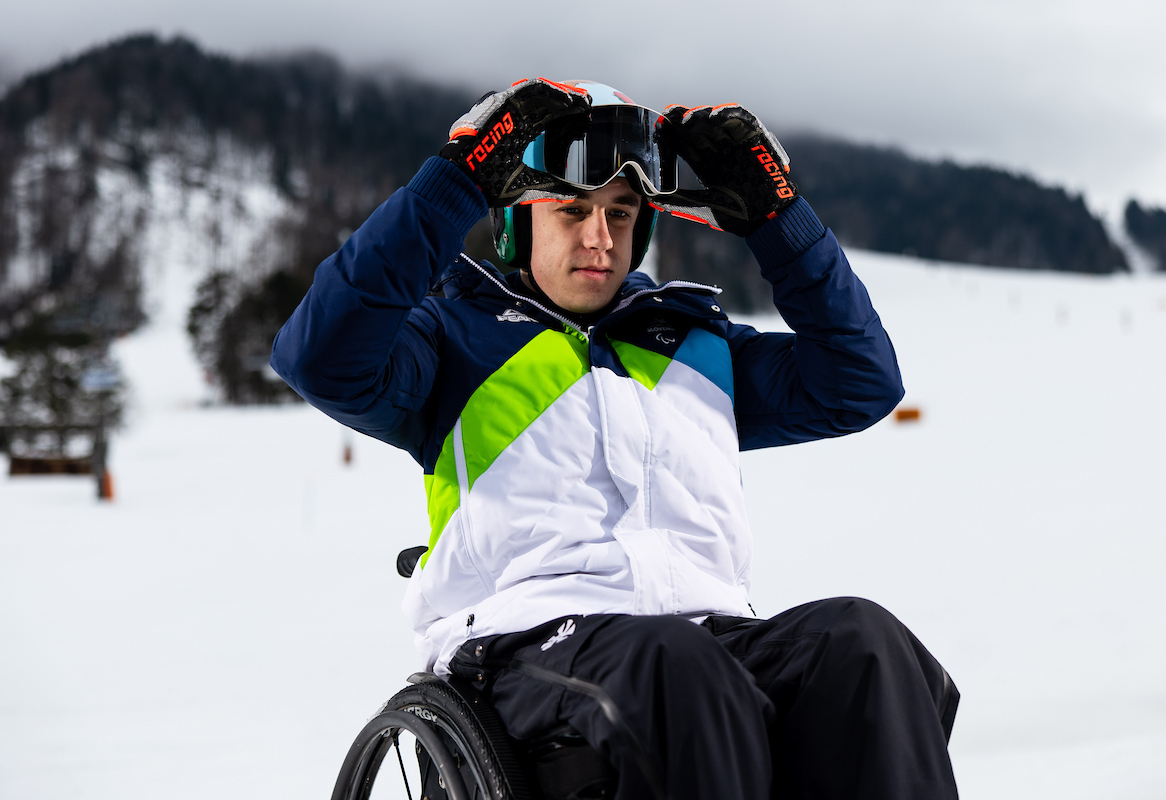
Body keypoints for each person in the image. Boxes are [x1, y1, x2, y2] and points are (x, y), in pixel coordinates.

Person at [272, 78, 959, 800]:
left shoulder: (696, 345)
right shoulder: (451, 342)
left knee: (865, 645)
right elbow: (319, 358)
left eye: (621, 213)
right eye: (572, 210)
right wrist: (455, 183)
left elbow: (860, 382)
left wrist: (775, 216)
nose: (600, 238)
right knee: (675, 664)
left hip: (708, 636)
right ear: (517, 223)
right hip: (527, 644)